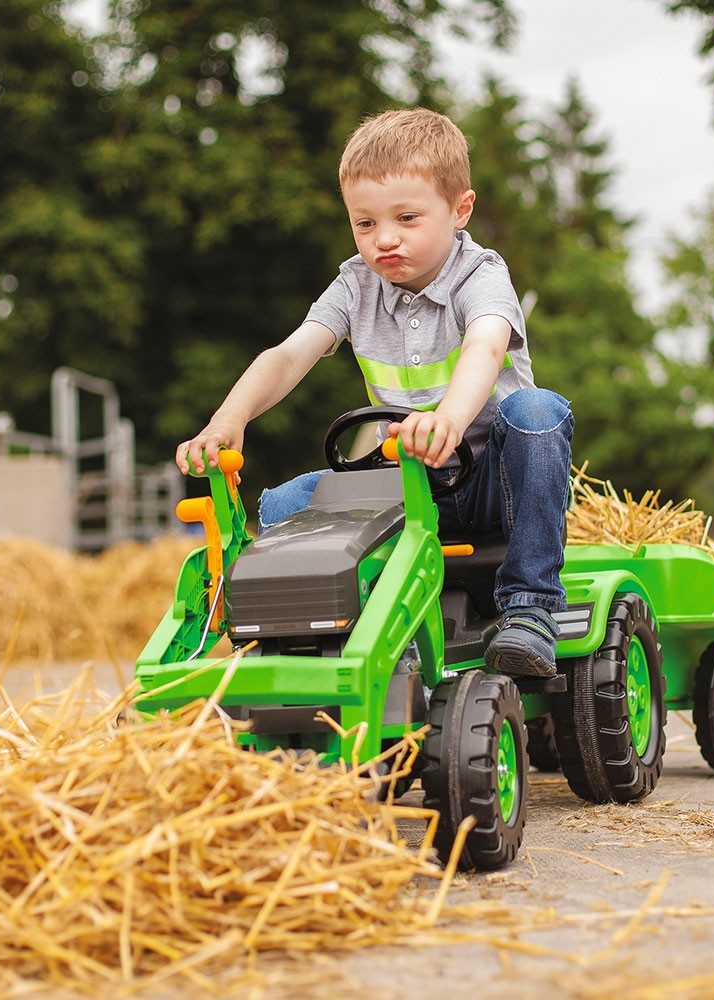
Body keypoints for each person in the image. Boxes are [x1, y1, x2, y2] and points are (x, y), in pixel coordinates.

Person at [176, 107, 574, 678]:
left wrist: (448, 421)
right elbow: (290, 355)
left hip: (493, 479)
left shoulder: (480, 274)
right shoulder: (355, 286)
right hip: (409, 483)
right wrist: (226, 421)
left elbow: (487, 346)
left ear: (460, 210)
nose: (384, 239)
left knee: (538, 412)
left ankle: (530, 610)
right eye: (365, 224)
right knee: (285, 503)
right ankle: (315, 632)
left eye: (407, 218)